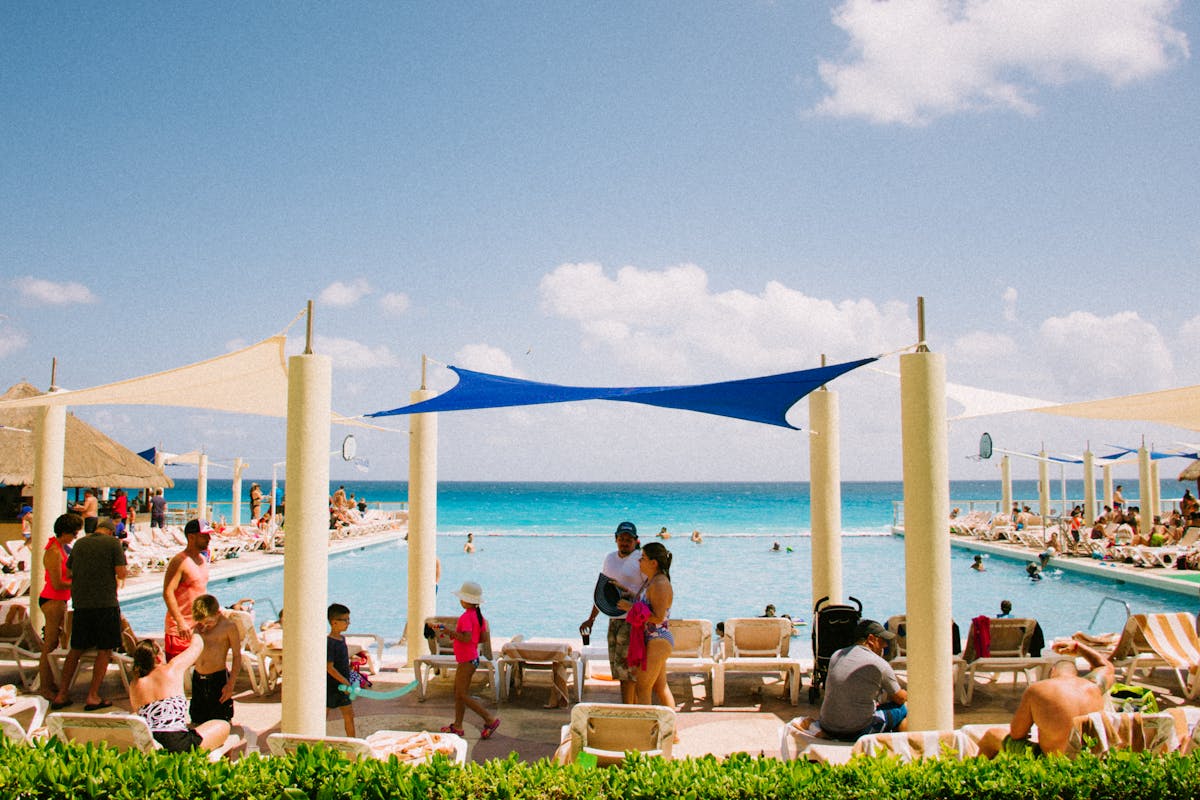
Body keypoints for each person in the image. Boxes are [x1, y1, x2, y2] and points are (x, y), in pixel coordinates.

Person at [981, 639, 1114, 757]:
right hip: (1087, 759)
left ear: (1052, 672)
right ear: (1076, 674)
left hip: (1051, 761)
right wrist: (1078, 647)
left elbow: (1016, 734)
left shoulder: (1038, 689)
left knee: (992, 736)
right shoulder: (1094, 687)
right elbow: (1105, 666)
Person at [51, 517, 127, 710]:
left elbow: (68, 573)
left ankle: (61, 694)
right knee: (105, 650)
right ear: (111, 532)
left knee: (75, 649)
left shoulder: (80, 544)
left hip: (81, 604)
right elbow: (122, 572)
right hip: (105, 604)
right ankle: (93, 695)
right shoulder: (113, 543)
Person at [129, 635, 232, 753]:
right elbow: (197, 646)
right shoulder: (172, 668)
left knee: (193, 729)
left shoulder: (134, 684)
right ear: (157, 658)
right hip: (178, 744)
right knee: (223, 725)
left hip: (151, 744)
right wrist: (194, 632)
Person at [579, 521, 645, 704]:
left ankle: (630, 709)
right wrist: (591, 619)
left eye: (629, 539)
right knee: (619, 670)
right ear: (615, 539)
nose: (625, 542)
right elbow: (603, 591)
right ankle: (629, 707)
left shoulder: (641, 559)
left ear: (636, 540)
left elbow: (649, 591)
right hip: (614, 620)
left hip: (634, 622)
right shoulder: (609, 559)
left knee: (630, 671)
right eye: (621, 538)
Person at [817, 619, 907, 741]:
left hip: (827, 726)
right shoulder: (879, 664)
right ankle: (903, 750)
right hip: (855, 731)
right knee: (904, 709)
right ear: (871, 639)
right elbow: (900, 698)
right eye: (882, 641)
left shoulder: (837, 655)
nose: (885, 645)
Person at [437, 582, 501, 738]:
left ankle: (489, 719)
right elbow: (482, 638)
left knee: (462, 694)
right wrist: (457, 636)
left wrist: (449, 631)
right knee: (459, 693)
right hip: (472, 658)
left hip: (466, 660)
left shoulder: (466, 617)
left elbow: (466, 638)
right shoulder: (480, 618)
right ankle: (457, 726)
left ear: (466, 600)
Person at [619, 542, 674, 706]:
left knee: (642, 688)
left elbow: (658, 617)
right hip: (653, 639)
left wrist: (631, 608)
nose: (639, 562)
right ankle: (670, 730)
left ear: (653, 563)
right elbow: (644, 602)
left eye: (642, 558)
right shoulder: (651, 581)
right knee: (660, 686)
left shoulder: (660, 584)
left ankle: (647, 729)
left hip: (658, 638)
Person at [37, 512, 80, 701]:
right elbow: (57, 583)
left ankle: (49, 683)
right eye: (74, 533)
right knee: (49, 644)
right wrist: (79, 582)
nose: (76, 536)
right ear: (65, 532)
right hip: (52, 599)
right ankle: (44, 687)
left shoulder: (61, 548)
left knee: (53, 643)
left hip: (59, 600)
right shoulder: (54, 551)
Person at [162, 519, 212, 660]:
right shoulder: (179, 561)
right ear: (191, 537)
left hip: (198, 629)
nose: (209, 539)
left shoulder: (202, 560)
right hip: (180, 631)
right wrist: (180, 622)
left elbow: (200, 591)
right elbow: (167, 592)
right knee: (178, 676)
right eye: (205, 536)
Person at [189, 594, 241, 726]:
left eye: (208, 622)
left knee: (220, 721)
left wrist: (231, 685)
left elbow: (236, 656)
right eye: (202, 622)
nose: (206, 625)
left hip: (217, 679)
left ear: (218, 612)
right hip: (198, 677)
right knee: (197, 720)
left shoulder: (229, 627)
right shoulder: (200, 628)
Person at [326, 602, 357, 737]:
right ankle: (314, 741)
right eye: (345, 620)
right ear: (334, 622)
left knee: (349, 715)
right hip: (332, 686)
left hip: (343, 685)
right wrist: (345, 681)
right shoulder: (329, 642)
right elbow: (329, 667)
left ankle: (353, 743)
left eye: (348, 619)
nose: (348, 623)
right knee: (323, 715)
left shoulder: (342, 639)